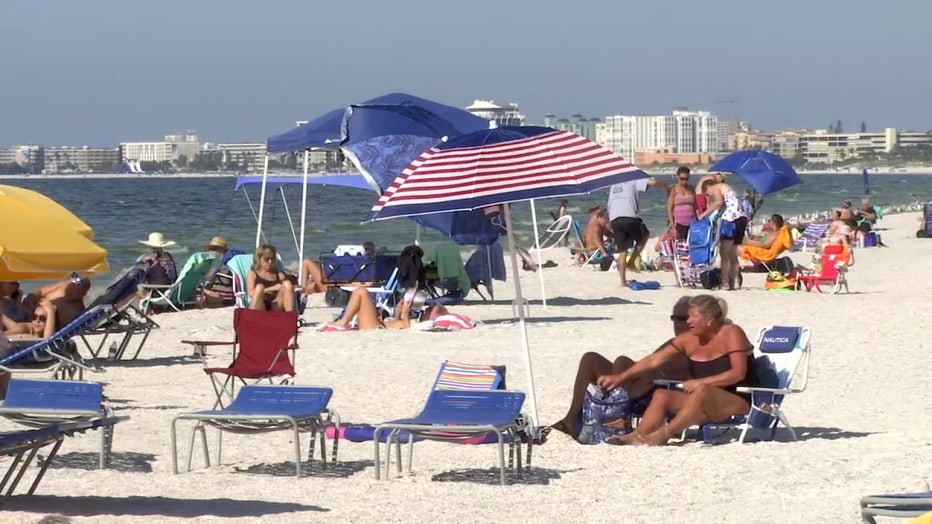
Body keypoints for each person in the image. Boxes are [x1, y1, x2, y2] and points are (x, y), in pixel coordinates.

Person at [597, 295, 759, 446]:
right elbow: (654, 360)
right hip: (701, 404)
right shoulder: (688, 340)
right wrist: (620, 377)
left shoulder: (731, 332)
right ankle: (638, 436)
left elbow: (738, 373)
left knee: (702, 390)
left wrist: (700, 382)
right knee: (662, 395)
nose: (688, 321)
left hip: (738, 403)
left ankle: (664, 434)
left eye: (693, 316)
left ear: (709, 319)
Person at [551, 296, 693, 438]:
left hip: (655, 394)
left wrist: (654, 372)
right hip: (640, 385)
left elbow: (686, 374)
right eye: (674, 318)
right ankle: (571, 419)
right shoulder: (673, 343)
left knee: (621, 361)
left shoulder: (697, 345)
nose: (676, 323)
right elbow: (650, 362)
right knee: (591, 359)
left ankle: (616, 417)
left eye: (681, 318)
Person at [607, 177, 666, 288]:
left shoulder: (613, 184)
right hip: (630, 216)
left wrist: (610, 223)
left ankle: (623, 282)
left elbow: (609, 205)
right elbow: (653, 182)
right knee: (645, 234)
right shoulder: (633, 178)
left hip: (615, 219)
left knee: (622, 251)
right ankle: (632, 260)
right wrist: (667, 187)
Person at [698, 173, 748, 290]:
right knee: (733, 253)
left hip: (731, 220)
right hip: (741, 219)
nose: (708, 196)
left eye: (707, 194)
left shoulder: (716, 188)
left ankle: (725, 283)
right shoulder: (727, 188)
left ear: (707, 188)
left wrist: (703, 214)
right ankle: (735, 281)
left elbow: (718, 203)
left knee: (724, 252)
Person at [327, 287, 454, 330]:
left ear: (436, 317)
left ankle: (343, 322)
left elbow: (406, 327)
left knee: (362, 292)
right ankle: (344, 321)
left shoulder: (423, 325)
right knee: (360, 293)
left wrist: (405, 313)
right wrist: (399, 312)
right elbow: (398, 324)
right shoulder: (418, 322)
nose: (425, 311)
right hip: (378, 324)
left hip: (376, 327)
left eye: (428, 311)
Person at [22, 274, 90, 326]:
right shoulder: (63, 286)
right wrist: (30, 300)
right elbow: (40, 291)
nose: (67, 290)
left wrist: (48, 310)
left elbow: (45, 328)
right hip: (27, 309)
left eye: (73, 290)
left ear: (83, 294)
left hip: (32, 322)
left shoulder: (76, 311)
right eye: (69, 286)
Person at [246, 244, 295, 312]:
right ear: (258, 259)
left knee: (287, 284)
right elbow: (250, 294)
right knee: (260, 287)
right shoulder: (253, 273)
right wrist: (272, 288)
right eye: (266, 259)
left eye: (272, 258)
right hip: (260, 304)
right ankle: (251, 318)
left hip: (276, 304)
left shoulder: (278, 273)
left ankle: (290, 318)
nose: (270, 262)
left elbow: (292, 285)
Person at [667, 167, 697, 240]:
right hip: (678, 223)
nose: (684, 181)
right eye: (682, 179)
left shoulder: (691, 189)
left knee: (691, 245)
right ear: (677, 176)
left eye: (686, 179)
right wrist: (672, 226)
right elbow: (669, 209)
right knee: (679, 246)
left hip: (692, 222)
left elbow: (695, 206)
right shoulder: (673, 189)